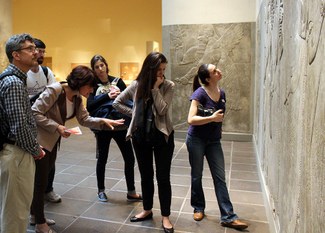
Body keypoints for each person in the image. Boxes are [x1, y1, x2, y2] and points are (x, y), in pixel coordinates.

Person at [30, 65, 124, 233]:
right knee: (40, 181)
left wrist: (102, 121)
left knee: (43, 179)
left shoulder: (77, 98)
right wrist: (57, 126)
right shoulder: (55, 90)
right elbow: (35, 112)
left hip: (52, 140)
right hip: (40, 140)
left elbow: (84, 119)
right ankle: (40, 223)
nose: (92, 90)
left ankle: (35, 215)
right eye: (90, 86)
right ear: (81, 82)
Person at [113, 52, 175, 233]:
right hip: (140, 138)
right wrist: (133, 114)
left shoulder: (168, 86)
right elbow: (117, 103)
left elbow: (162, 110)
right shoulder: (136, 85)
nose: (162, 73)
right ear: (150, 69)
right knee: (146, 175)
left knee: (163, 178)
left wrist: (156, 88)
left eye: (164, 69)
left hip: (163, 137)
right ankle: (147, 210)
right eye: (159, 70)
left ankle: (165, 216)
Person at [186, 64, 248, 230]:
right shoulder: (199, 93)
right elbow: (191, 119)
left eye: (217, 68)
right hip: (196, 139)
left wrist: (214, 120)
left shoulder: (222, 93)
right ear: (208, 78)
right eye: (214, 71)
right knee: (196, 175)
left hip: (213, 141)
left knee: (219, 177)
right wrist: (212, 118)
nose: (218, 71)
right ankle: (198, 207)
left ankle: (228, 216)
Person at [0, 33, 45, 233]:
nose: (35, 52)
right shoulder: (14, 83)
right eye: (30, 49)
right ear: (16, 55)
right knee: (16, 214)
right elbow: (19, 127)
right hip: (16, 153)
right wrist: (36, 150)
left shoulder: (14, 80)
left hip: (15, 151)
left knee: (13, 209)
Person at [86, 55, 142, 202]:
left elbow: (129, 101)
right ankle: (101, 191)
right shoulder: (92, 85)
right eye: (96, 67)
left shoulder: (117, 81)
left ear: (106, 65)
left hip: (121, 125)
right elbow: (90, 106)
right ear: (93, 69)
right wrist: (107, 96)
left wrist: (118, 96)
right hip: (103, 127)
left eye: (102, 65)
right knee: (102, 159)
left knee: (129, 158)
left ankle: (131, 191)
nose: (100, 69)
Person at [26, 38, 61, 204]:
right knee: (34, 157)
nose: (41, 54)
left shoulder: (47, 72)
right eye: (38, 51)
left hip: (45, 121)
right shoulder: (23, 73)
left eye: (43, 51)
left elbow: (53, 95)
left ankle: (48, 189)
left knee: (50, 157)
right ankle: (33, 192)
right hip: (29, 121)